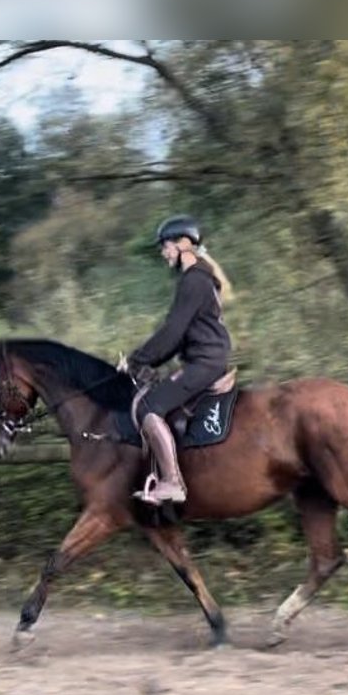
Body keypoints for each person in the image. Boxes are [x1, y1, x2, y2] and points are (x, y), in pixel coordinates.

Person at [122, 214, 233, 504]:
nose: (163, 252)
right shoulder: (199, 279)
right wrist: (148, 361)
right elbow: (179, 335)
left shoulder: (194, 280)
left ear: (184, 244)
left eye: (166, 246)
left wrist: (136, 360)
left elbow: (172, 331)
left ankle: (172, 483)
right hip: (205, 358)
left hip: (205, 362)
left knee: (148, 407)